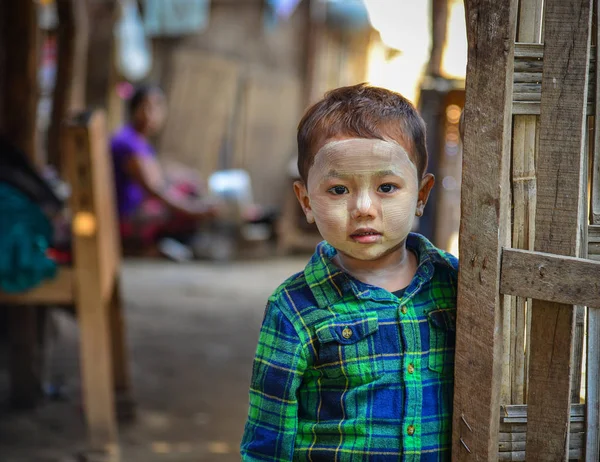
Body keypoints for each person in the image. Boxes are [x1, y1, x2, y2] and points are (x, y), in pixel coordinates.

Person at [241, 83, 458, 460]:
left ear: (421, 195)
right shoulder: (295, 309)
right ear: (306, 201)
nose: (362, 207)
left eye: (387, 187)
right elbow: (267, 440)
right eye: (338, 190)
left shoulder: (454, 283)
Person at [110, 85, 218, 254]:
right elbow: (155, 188)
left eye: (157, 107)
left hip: (132, 211)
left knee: (188, 186)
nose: (151, 114)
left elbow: (159, 172)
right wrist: (194, 210)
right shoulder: (128, 143)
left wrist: (189, 176)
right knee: (183, 207)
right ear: (134, 109)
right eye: (146, 107)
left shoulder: (138, 141)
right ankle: (157, 248)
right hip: (124, 219)